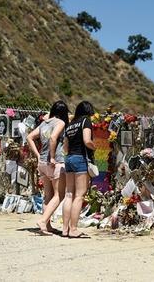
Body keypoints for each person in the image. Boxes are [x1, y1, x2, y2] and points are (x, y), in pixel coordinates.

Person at [26, 100, 69, 235]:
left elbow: (29, 137)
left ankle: (47, 226)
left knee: (47, 195)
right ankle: (44, 220)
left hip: (42, 163)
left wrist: (38, 155)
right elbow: (53, 138)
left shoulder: (45, 123)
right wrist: (52, 157)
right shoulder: (61, 123)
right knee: (59, 194)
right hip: (55, 162)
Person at [62, 101, 96, 239]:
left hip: (69, 158)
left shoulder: (70, 124)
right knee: (79, 195)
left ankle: (64, 229)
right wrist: (94, 147)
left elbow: (65, 147)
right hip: (80, 158)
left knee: (69, 194)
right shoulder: (85, 121)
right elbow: (87, 140)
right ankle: (74, 229)